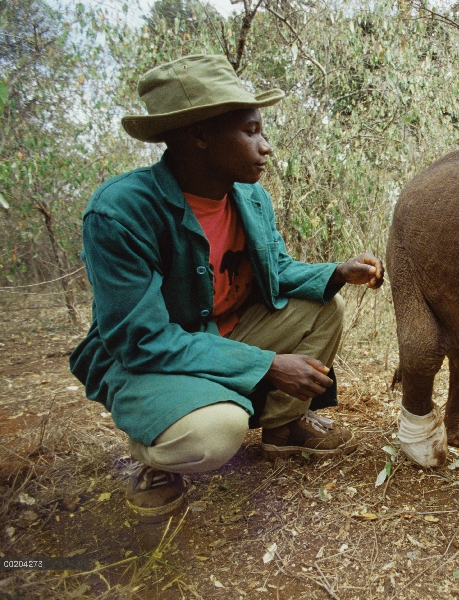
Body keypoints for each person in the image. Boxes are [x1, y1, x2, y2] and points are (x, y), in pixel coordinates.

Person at [69, 54, 384, 522]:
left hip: (223, 335)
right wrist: (267, 365)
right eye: (251, 131)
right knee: (217, 431)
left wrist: (337, 272)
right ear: (199, 135)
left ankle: (284, 427)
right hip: (150, 363)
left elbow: (275, 269)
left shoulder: (250, 196)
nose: (266, 146)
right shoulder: (121, 212)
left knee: (323, 308)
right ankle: (153, 452)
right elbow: (141, 341)